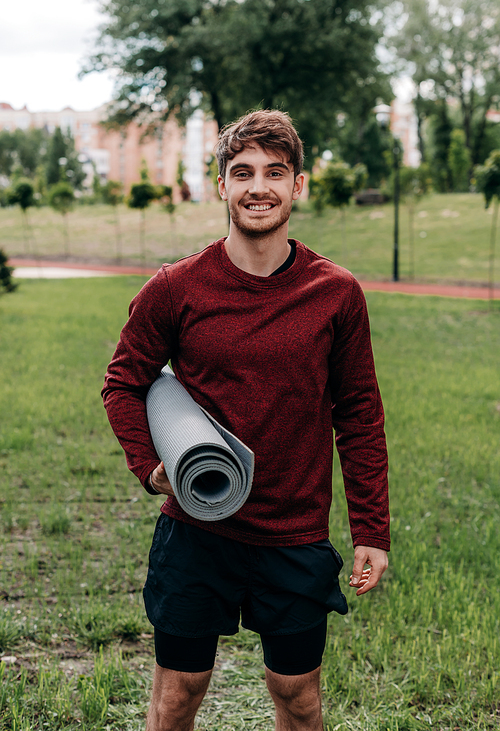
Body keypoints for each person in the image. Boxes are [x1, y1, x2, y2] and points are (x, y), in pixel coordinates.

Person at [102, 109, 390, 731]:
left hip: (294, 531)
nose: (259, 186)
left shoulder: (336, 293)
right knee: (178, 695)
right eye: (243, 172)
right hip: (197, 529)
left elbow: (360, 412)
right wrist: (151, 468)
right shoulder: (175, 288)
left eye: (275, 172)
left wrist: (372, 528)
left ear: (298, 186)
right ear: (222, 185)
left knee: (298, 697)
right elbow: (124, 381)